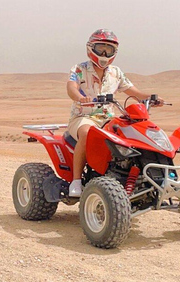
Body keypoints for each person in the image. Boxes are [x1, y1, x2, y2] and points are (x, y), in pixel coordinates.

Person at [67, 29, 164, 197]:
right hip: (84, 117)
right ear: (91, 48)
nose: (104, 53)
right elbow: (71, 87)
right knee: (87, 133)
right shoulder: (79, 69)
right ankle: (76, 182)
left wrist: (150, 98)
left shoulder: (116, 73)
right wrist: (79, 98)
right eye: (101, 48)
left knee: (132, 136)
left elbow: (135, 93)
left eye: (109, 49)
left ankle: (134, 177)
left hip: (109, 119)